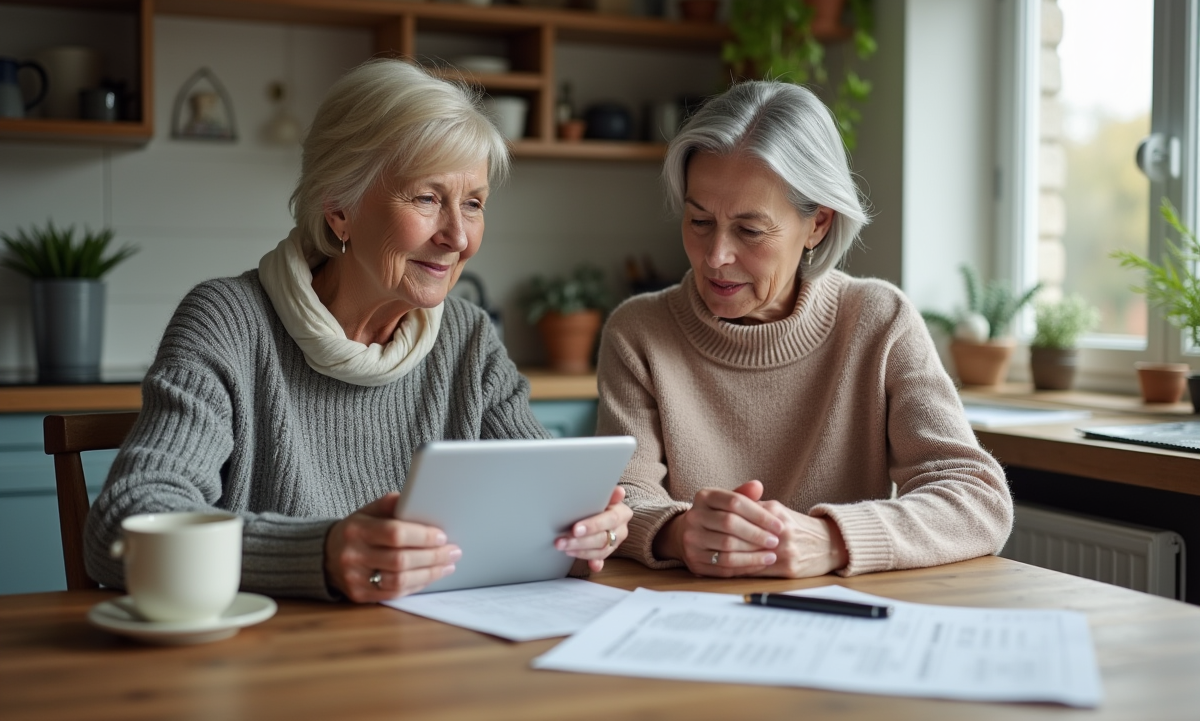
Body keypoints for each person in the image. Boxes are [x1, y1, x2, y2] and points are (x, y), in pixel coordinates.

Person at [84, 59, 631, 602]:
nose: (459, 237)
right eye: (427, 198)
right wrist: (318, 552)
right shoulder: (228, 322)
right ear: (340, 209)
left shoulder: (466, 337)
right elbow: (128, 523)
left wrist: (584, 530)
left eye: (473, 204)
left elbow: (543, 507)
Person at [597, 80, 1012, 579]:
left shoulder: (880, 322)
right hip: (687, 615)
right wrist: (679, 531)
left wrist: (832, 540)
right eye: (699, 220)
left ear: (817, 223)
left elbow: (978, 497)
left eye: (750, 230)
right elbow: (624, 497)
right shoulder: (638, 331)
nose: (716, 256)